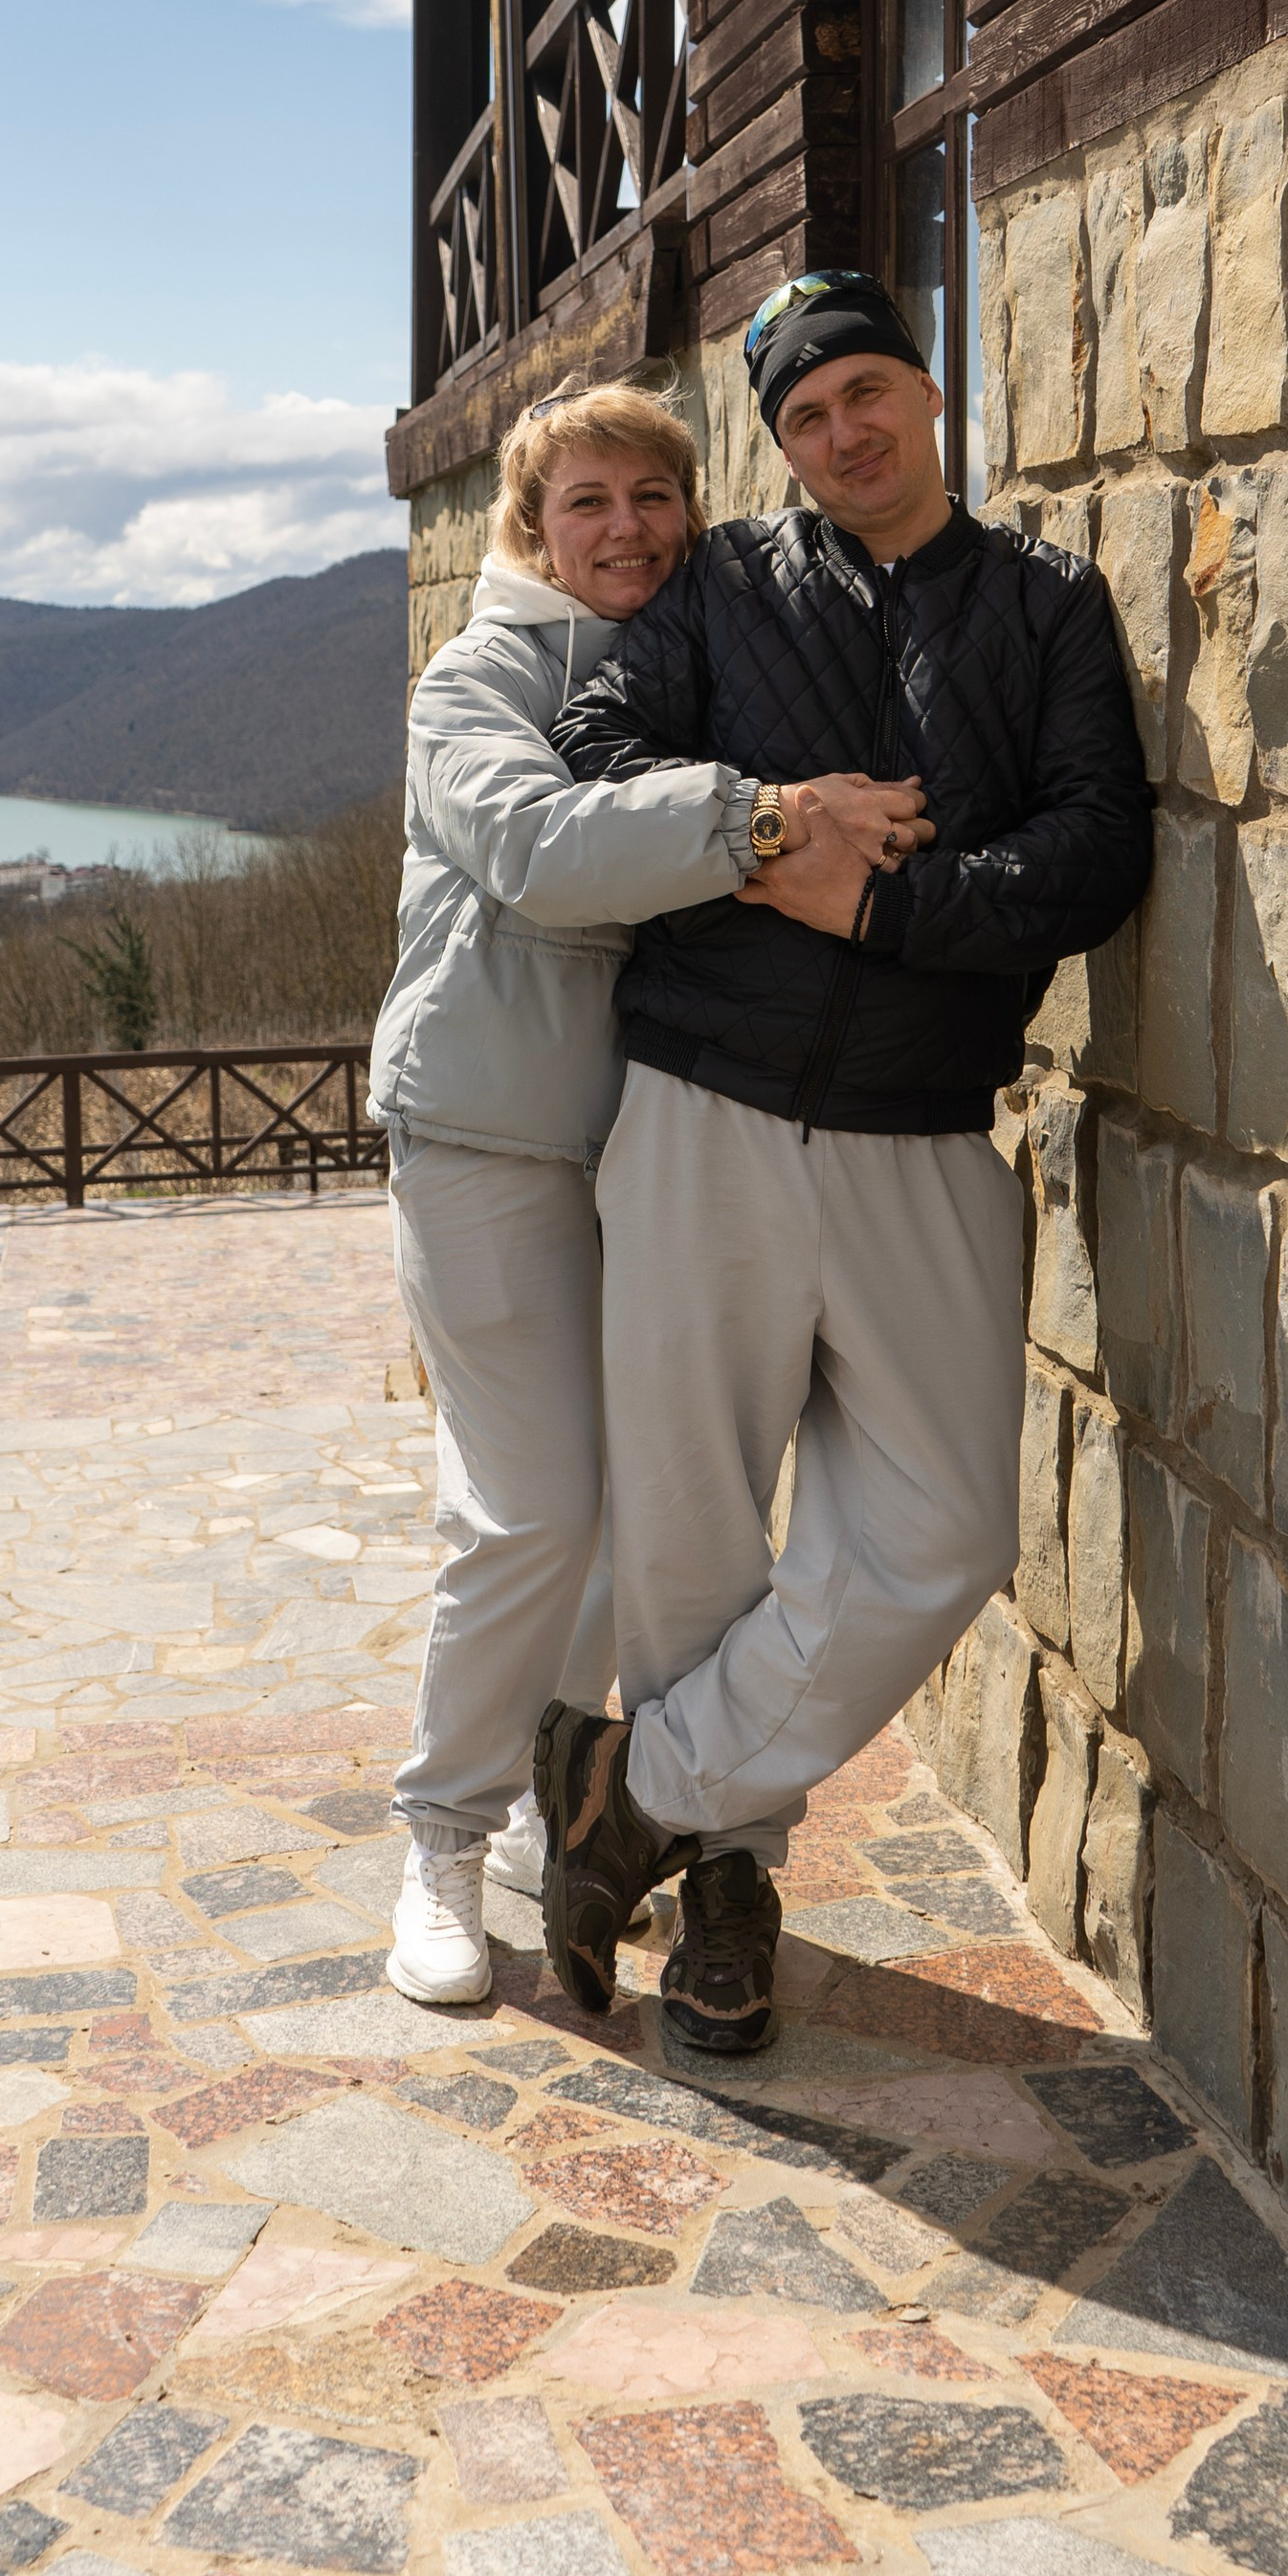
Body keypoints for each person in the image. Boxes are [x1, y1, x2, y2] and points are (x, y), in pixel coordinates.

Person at [538, 268, 1155, 2054]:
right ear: (780, 441)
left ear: (927, 391)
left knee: (943, 1526)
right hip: (703, 1108)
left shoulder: (1042, 602)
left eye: (867, 391)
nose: (843, 434)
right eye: (806, 417)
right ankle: (722, 1887)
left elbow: (1092, 852)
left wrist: (880, 904)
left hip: (919, 1127)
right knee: (688, 1533)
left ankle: (630, 1792)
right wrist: (772, 832)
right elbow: (598, 757)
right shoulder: (724, 582)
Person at [371, 376, 928, 2007]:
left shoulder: (698, 665)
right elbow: (544, 850)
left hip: (666, 1144)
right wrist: (763, 817)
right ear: (530, 531)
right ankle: (438, 1838)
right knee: (530, 1507)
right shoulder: (471, 683)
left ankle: (593, 1812)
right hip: (485, 1140)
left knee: (647, 1525)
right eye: (585, 503)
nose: (622, 528)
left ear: (692, 513)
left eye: (651, 497)